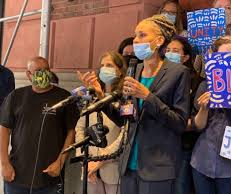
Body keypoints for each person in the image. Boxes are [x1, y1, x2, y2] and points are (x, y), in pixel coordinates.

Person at [97, 14, 190, 194]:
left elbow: (179, 122)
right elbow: (125, 118)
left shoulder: (178, 73)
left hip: (157, 166)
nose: (136, 40)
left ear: (159, 40)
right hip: (129, 162)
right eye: (135, 35)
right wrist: (102, 97)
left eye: (142, 35)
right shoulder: (135, 69)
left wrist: (148, 97)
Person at [0, 56, 79, 194]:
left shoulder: (64, 98)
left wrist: (60, 161)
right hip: (17, 176)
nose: (43, 73)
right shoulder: (15, 96)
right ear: (28, 74)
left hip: (50, 177)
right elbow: (4, 129)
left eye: (46, 69)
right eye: (38, 70)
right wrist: (5, 163)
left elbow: (71, 132)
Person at [191, 36, 231, 194]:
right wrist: (204, 108)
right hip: (202, 161)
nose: (229, 61)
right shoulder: (205, 85)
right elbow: (198, 127)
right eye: (223, 57)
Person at [76, 51, 127, 194]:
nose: (104, 68)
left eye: (109, 65)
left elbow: (125, 134)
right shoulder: (92, 97)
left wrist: (100, 161)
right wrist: (83, 158)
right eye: (102, 65)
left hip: (111, 168)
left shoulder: (124, 98)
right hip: (89, 168)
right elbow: (80, 128)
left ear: (120, 71)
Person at [165, 36, 203, 194]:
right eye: (167, 51)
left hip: (184, 146)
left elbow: (195, 121)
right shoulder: (162, 78)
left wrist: (173, 121)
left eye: (175, 51)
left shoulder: (196, 82)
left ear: (186, 57)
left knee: (181, 188)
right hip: (163, 145)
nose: (169, 54)